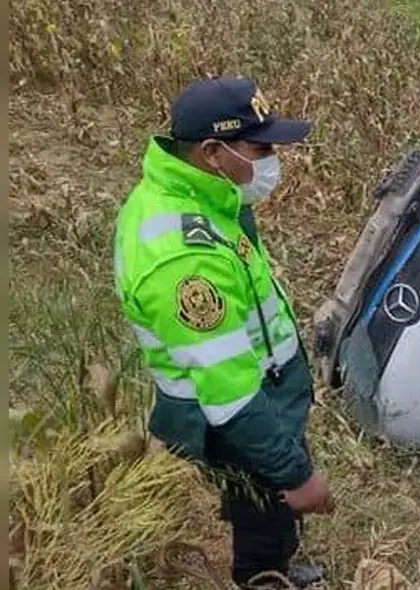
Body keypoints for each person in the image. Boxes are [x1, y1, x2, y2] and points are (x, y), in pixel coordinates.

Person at [112, 76, 330, 589]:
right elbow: (229, 398)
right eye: (260, 147)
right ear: (212, 152)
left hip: (264, 396)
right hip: (237, 423)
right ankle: (264, 576)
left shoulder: (206, 196)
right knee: (265, 513)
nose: (272, 159)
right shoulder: (185, 263)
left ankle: (279, 552)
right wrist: (299, 476)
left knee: (269, 508)